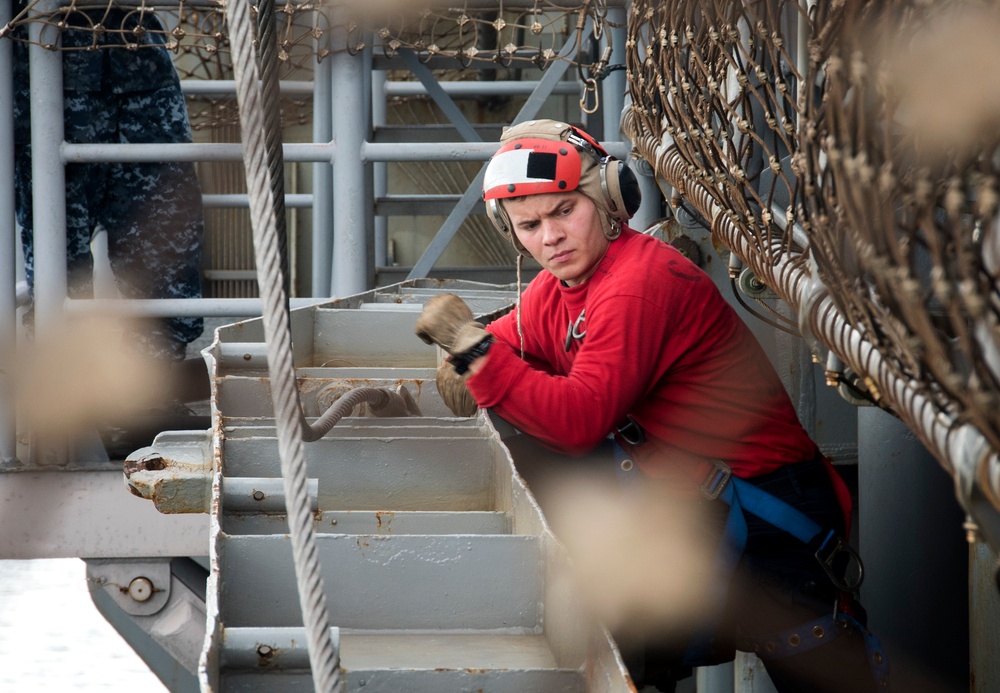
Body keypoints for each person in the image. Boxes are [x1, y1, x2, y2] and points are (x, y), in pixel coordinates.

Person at [415, 119, 888, 692]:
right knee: (625, 660)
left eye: (565, 211)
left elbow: (578, 419)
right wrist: (469, 359)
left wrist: (477, 357)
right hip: (695, 509)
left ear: (609, 199)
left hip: (768, 516)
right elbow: (513, 341)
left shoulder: (638, 282)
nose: (550, 237)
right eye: (530, 225)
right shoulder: (556, 290)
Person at [11, 4, 209, 420]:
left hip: (140, 72)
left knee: (168, 240)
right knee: (57, 257)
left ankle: (150, 397)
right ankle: (71, 399)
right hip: (46, 71)